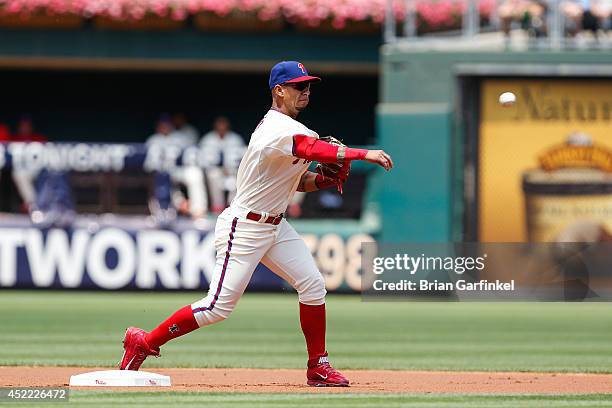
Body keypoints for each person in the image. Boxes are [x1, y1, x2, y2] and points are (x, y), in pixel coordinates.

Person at [119, 61, 393, 387]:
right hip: (244, 226)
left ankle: (318, 366)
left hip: (275, 226)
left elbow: (298, 182)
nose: (305, 91)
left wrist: (322, 180)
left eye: (308, 86)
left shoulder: (295, 130)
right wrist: (360, 155)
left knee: (313, 286)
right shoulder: (274, 128)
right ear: (279, 90)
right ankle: (145, 342)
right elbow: (308, 148)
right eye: (298, 86)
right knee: (217, 308)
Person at [147, 114, 207, 220]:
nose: (164, 127)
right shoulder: (152, 140)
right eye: (162, 125)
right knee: (162, 181)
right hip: (160, 173)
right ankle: (178, 206)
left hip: (179, 170)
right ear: (158, 127)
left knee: (195, 174)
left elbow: (191, 157)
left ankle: (198, 211)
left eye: (167, 125)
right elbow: (148, 165)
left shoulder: (180, 138)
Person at [200, 116, 246, 213]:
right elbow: (202, 160)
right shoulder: (208, 139)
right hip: (216, 170)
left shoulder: (235, 139)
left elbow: (243, 158)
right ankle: (217, 206)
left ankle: (232, 206)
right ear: (215, 126)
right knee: (213, 175)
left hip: (232, 170)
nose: (221, 127)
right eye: (219, 124)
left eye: (223, 124)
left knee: (237, 177)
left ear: (227, 126)